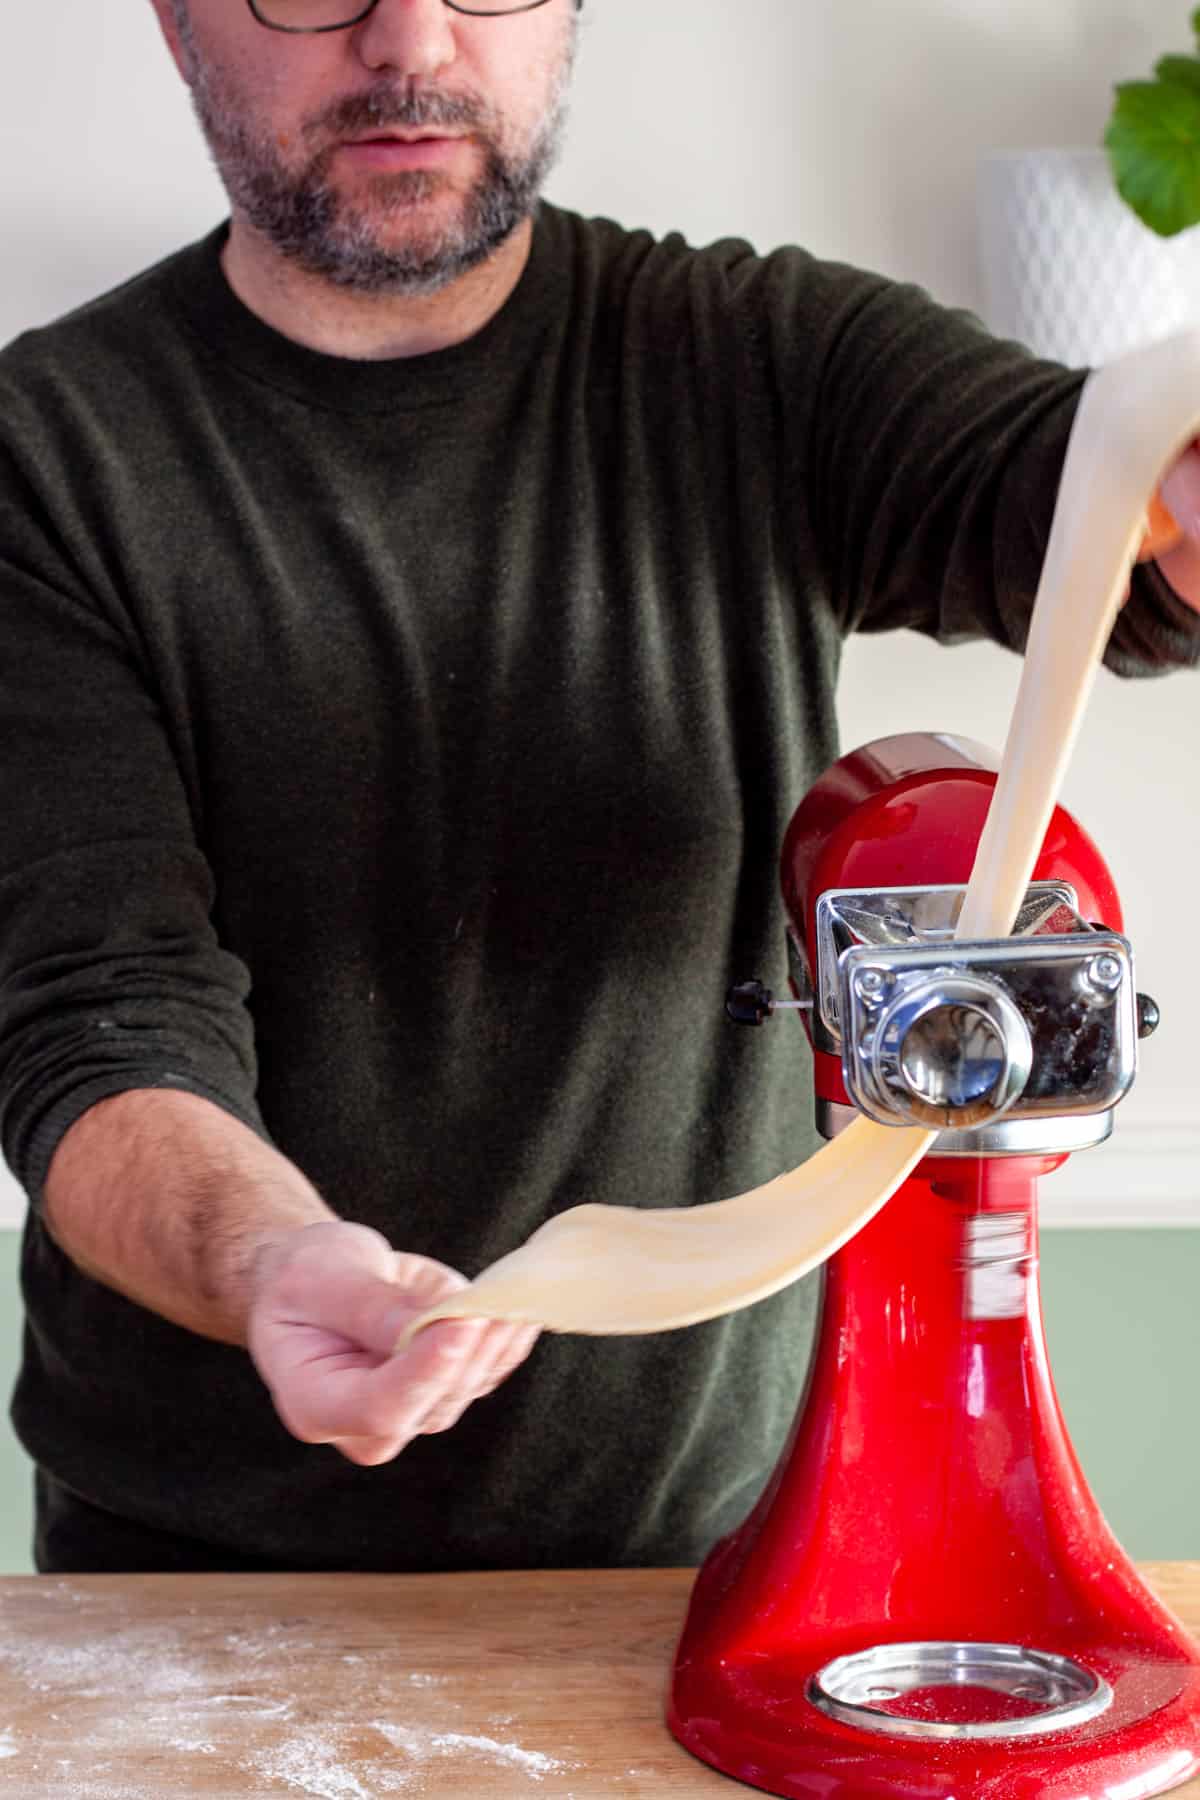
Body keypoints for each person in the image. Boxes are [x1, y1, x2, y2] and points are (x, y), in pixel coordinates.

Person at [1, 0, 1198, 1576]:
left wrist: (1172, 494)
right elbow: (97, 1014)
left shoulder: (760, 358)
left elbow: (1074, 507)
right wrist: (274, 1259)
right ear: (174, 22)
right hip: (202, 1593)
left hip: (715, 1560)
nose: (410, 38)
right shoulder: (45, 457)